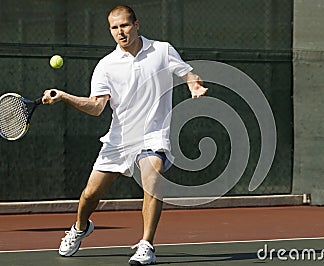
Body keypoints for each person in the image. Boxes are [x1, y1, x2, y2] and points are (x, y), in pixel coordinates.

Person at [42, 5, 207, 265]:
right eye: (114, 28)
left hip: (153, 135)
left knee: (152, 177)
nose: (120, 32)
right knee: (89, 196)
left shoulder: (162, 51)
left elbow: (186, 72)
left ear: (137, 24)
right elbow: (97, 107)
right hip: (119, 141)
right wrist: (64, 96)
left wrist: (193, 83)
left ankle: (146, 245)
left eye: (125, 25)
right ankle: (80, 228)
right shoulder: (106, 66)